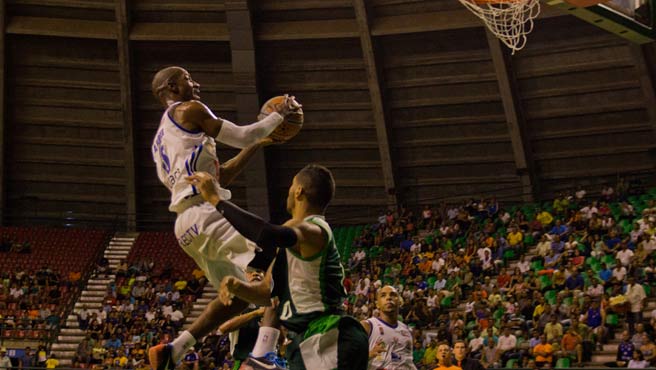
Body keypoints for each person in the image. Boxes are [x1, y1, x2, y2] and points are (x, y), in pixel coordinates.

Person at [148, 66, 298, 369]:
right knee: (281, 260)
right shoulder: (190, 109)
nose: (196, 83)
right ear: (172, 88)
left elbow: (222, 175)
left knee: (241, 296)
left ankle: (174, 349)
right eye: (189, 79)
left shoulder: (161, 140)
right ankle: (263, 355)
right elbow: (242, 135)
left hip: (186, 226)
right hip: (206, 213)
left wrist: (260, 142)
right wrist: (278, 115)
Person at [187, 165, 369, 370]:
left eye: (292, 186)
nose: (289, 191)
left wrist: (216, 199)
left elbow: (266, 233)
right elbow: (266, 294)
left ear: (299, 191)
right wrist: (237, 287)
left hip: (327, 335)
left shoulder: (310, 227)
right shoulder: (293, 246)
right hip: (314, 339)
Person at [362, 285, 416, 370]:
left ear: (400, 302)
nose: (388, 298)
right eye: (383, 295)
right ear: (377, 304)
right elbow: (348, 359)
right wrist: (369, 354)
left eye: (393, 295)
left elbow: (408, 361)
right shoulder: (367, 326)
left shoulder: (407, 330)